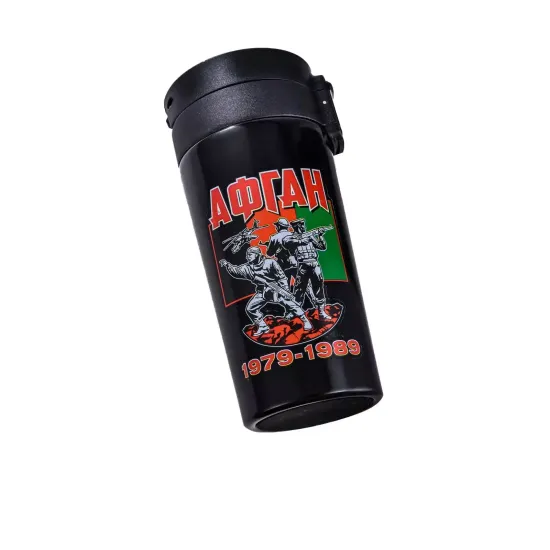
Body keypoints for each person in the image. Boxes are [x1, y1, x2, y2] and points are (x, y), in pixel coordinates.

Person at [219, 247, 312, 336]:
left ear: (258, 254)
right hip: (262, 291)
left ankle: (305, 320)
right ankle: (262, 326)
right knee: (250, 308)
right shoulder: (247, 268)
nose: (248, 257)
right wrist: (227, 264)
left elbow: (282, 277)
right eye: (247, 255)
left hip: (276, 289)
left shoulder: (270, 262)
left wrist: (284, 290)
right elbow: (236, 271)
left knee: (291, 305)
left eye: (250, 254)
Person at [282, 219, 331, 320]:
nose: (303, 227)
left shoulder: (310, 237)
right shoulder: (290, 237)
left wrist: (320, 236)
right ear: (296, 226)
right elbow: (286, 242)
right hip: (302, 265)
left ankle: (321, 311)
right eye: (301, 225)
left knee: (318, 287)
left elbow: (322, 247)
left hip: (314, 264)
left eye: (303, 225)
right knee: (299, 289)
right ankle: (294, 311)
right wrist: (300, 241)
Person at [264, 218, 298, 287]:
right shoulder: (294, 235)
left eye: (277, 226)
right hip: (296, 263)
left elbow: (269, 253)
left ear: (279, 226)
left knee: (285, 285)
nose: (276, 227)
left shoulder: (274, 237)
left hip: (283, 265)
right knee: (302, 283)